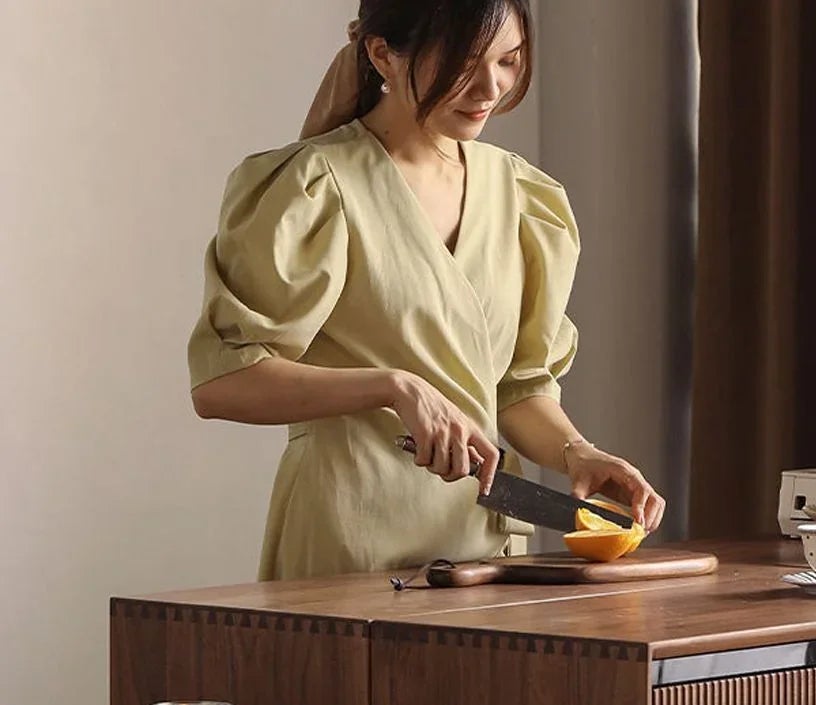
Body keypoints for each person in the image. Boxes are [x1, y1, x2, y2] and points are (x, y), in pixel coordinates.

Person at [189, 1, 665, 579]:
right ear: (382, 54)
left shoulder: (520, 196)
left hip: (482, 551)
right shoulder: (315, 187)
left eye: (509, 61)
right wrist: (393, 387)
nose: (491, 86)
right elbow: (223, 384)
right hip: (349, 542)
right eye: (465, 64)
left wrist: (577, 453)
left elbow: (515, 388)